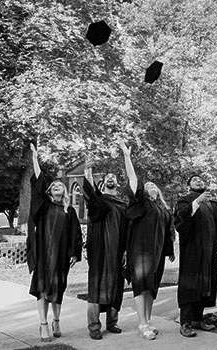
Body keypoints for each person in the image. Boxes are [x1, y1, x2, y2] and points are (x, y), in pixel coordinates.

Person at [26, 143, 82, 342]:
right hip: (43, 254)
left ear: (64, 191)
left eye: (61, 185)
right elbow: (39, 183)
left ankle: (56, 320)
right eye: (54, 185)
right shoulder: (44, 206)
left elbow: (77, 233)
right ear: (50, 191)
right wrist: (35, 158)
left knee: (58, 289)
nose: (57, 186)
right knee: (42, 288)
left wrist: (75, 252)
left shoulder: (69, 211)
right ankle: (43, 324)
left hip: (60, 256)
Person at [121, 142, 176, 340]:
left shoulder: (163, 209)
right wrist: (127, 156)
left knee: (152, 288)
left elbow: (168, 231)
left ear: (158, 191)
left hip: (158, 252)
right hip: (140, 251)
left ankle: (149, 320)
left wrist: (169, 251)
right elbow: (133, 179)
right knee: (141, 285)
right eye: (148, 186)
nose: (151, 186)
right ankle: (142, 323)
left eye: (154, 185)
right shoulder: (141, 204)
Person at [81, 151, 130, 340]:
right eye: (107, 177)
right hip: (100, 249)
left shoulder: (123, 204)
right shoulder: (99, 201)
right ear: (103, 183)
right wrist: (89, 171)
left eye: (113, 177)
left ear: (117, 183)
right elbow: (90, 195)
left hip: (118, 250)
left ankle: (112, 322)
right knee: (97, 285)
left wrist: (126, 249)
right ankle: (94, 326)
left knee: (116, 285)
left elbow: (128, 229)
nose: (110, 179)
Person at [175, 174, 217, 337]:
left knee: (205, 285)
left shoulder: (214, 205)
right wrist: (197, 202)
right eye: (195, 179)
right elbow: (181, 220)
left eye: (201, 180)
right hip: (192, 251)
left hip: (209, 252)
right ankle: (185, 323)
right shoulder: (184, 201)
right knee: (190, 286)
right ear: (189, 184)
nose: (199, 181)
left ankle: (198, 319)